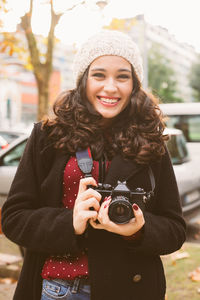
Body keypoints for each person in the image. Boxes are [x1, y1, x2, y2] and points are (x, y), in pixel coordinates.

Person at [1, 30, 186, 300]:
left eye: (123, 76)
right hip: (57, 288)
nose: (110, 87)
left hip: (131, 290)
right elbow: (14, 219)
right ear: (83, 80)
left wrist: (139, 230)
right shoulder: (48, 135)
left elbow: (175, 229)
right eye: (99, 75)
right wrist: (70, 222)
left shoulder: (151, 141)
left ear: (134, 84)